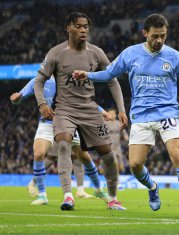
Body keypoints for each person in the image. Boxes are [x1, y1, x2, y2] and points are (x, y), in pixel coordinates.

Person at [72, 13, 179, 211]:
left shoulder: (174, 56)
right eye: (155, 36)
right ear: (145, 33)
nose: (159, 40)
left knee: (176, 154)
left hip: (167, 112)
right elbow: (109, 74)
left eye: (163, 36)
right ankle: (152, 186)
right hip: (140, 116)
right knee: (135, 165)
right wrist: (87, 75)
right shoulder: (130, 54)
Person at [34, 12, 127, 210]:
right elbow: (39, 81)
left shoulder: (96, 52)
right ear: (68, 28)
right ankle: (68, 195)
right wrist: (42, 104)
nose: (83, 30)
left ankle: (113, 198)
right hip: (64, 109)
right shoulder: (56, 53)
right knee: (64, 144)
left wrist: (121, 109)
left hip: (89, 110)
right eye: (78, 26)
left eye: (86, 26)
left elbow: (112, 80)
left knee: (108, 154)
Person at [10, 77, 109, 205]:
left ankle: (98, 189)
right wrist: (16, 99)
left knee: (84, 157)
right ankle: (42, 196)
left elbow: (85, 100)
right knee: (38, 154)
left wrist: (102, 111)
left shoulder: (68, 80)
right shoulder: (37, 81)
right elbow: (20, 97)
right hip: (47, 123)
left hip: (67, 123)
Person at [105, 107, 129, 174]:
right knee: (114, 164)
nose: (113, 115)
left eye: (114, 113)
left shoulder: (119, 123)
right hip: (109, 147)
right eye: (111, 114)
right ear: (108, 114)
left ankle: (115, 179)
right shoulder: (105, 123)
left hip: (118, 147)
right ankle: (116, 182)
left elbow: (124, 134)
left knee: (121, 167)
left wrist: (128, 140)